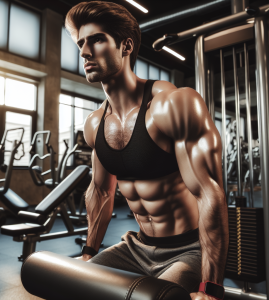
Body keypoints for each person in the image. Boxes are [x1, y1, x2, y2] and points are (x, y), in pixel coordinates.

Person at [65, 2, 229, 299]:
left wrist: (212, 288)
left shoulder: (173, 105)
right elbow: (101, 192)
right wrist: (89, 253)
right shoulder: (94, 124)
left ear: (125, 46)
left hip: (188, 249)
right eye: (81, 43)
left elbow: (210, 193)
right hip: (135, 246)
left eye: (97, 40)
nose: (84, 52)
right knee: (74, 286)